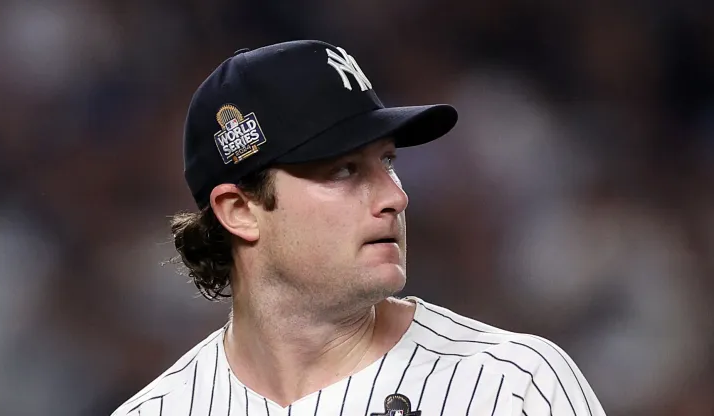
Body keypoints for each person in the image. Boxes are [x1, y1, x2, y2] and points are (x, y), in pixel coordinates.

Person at [111, 40, 607, 416]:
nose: (396, 196)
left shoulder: (514, 385)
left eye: (387, 161)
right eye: (344, 171)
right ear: (239, 210)